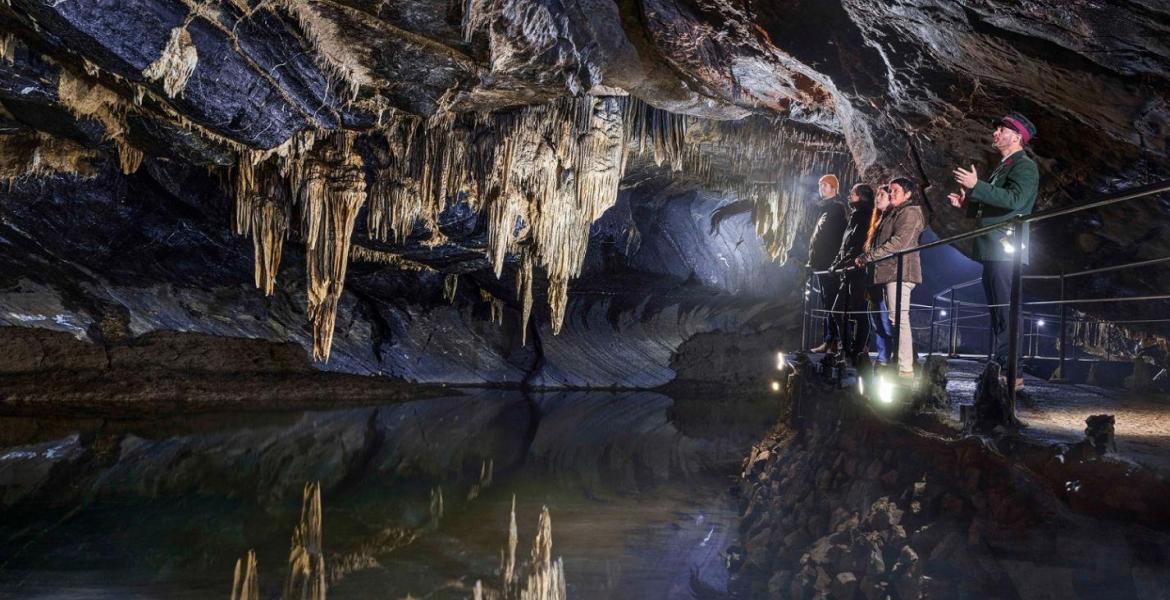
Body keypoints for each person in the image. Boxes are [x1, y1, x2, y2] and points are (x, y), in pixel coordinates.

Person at [949, 113, 1039, 390]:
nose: (995, 133)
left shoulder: (1024, 166)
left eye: (1001, 129)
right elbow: (997, 200)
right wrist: (968, 201)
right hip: (995, 247)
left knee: (1007, 311)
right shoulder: (1005, 166)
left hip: (1005, 247)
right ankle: (1004, 366)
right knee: (999, 311)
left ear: (1017, 137)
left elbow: (1014, 200)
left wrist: (978, 186)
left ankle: (1013, 372)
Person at [856, 177, 925, 378]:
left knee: (899, 319)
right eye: (891, 190)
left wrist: (868, 256)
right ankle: (899, 363)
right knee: (895, 319)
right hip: (890, 272)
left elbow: (899, 243)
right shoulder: (893, 213)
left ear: (908, 194)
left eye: (895, 190)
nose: (891, 193)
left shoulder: (911, 212)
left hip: (901, 272)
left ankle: (905, 367)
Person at [829, 183, 875, 364]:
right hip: (848, 270)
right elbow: (845, 246)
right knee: (838, 311)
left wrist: (840, 263)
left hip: (857, 270)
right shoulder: (855, 216)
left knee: (859, 312)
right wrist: (836, 263)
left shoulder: (863, 216)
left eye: (853, 194)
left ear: (861, 196)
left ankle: (855, 350)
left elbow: (856, 245)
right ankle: (848, 349)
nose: (849, 196)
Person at [806, 174, 847, 353]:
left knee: (832, 303)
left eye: (826, 185)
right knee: (827, 303)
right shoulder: (825, 209)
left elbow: (833, 239)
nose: (822, 188)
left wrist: (832, 262)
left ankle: (837, 341)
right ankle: (829, 340)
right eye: (821, 185)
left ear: (834, 189)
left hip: (830, 266)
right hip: (822, 265)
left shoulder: (836, 209)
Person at [864, 185, 895, 366]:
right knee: (877, 320)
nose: (878, 197)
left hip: (885, 275)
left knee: (886, 320)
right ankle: (883, 356)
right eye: (877, 194)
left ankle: (890, 357)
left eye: (882, 194)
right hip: (873, 277)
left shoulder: (891, 219)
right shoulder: (878, 221)